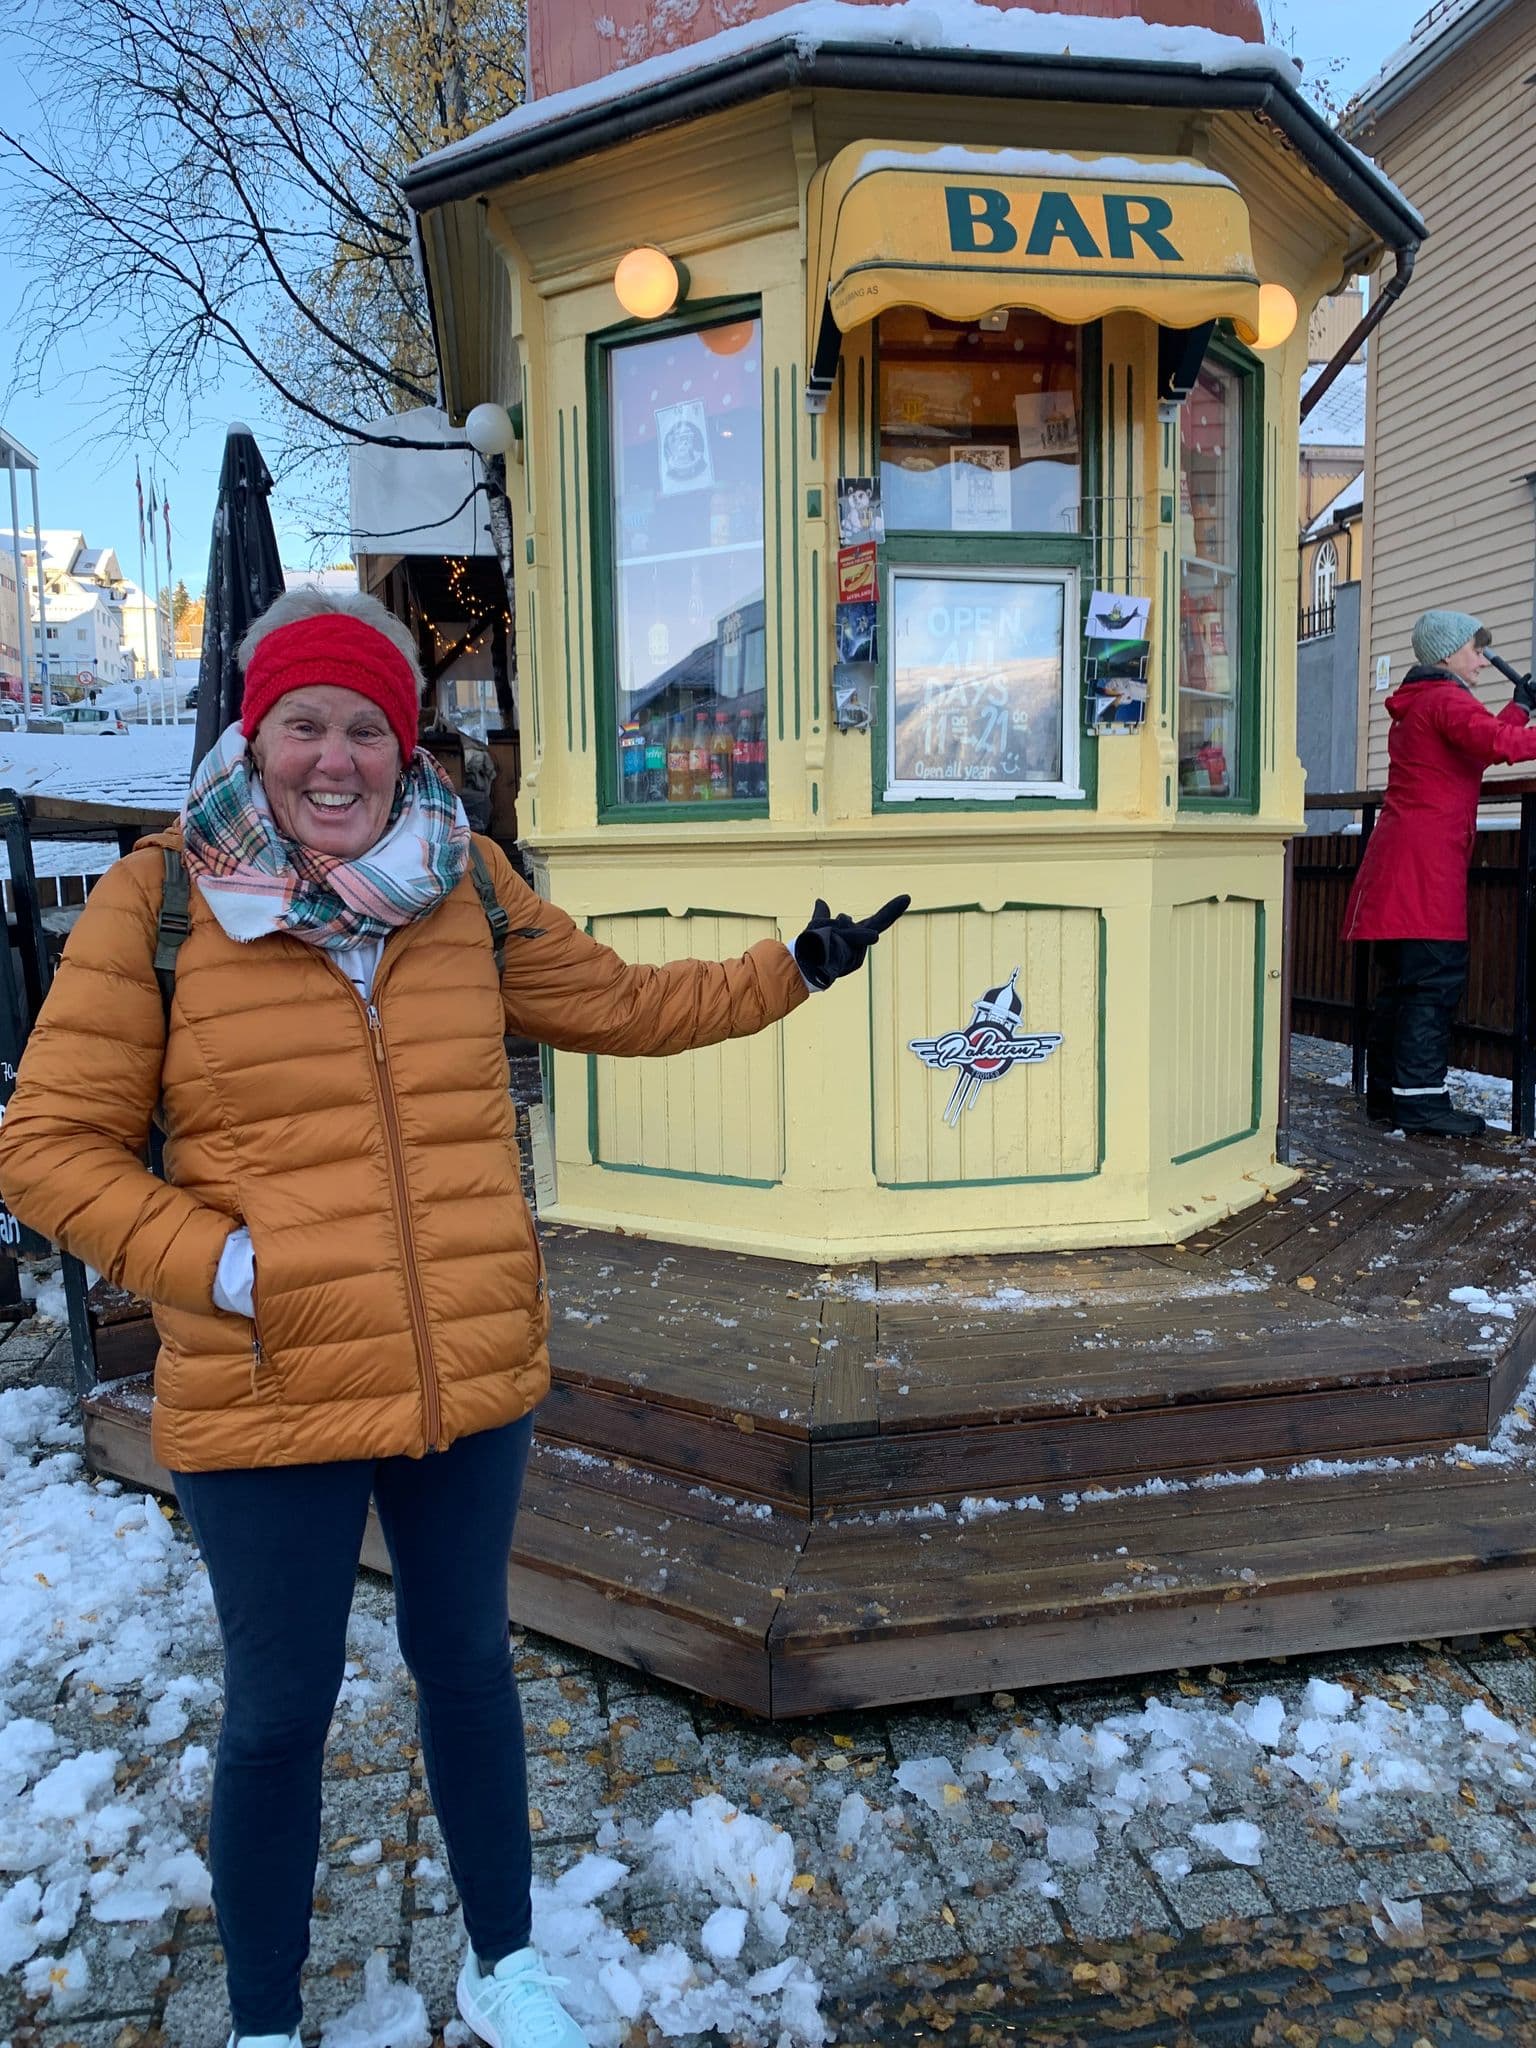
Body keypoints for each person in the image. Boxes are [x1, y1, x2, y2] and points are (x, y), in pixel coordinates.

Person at [0, 588, 908, 2048]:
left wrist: (784, 971)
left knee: (470, 1668)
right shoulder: (159, 899)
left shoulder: (464, 883)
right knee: (278, 1715)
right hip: (268, 1383)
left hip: (466, 1370)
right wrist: (222, 1269)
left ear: (404, 742)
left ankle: (504, 1962)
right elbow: (45, 1145)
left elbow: (616, 1000)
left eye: (368, 726)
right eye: (306, 724)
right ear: (259, 732)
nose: (337, 759)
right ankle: (262, 2021)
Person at [1342, 607, 1536, 1137]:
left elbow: (1482, 739)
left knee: (1402, 989)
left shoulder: (1424, 703)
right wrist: (1520, 722)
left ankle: (1389, 1097)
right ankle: (1421, 1104)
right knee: (1431, 985)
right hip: (1424, 870)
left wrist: (1519, 708)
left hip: (1400, 865)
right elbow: (1499, 745)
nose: (1481, 659)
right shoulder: (1446, 700)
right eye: (1476, 649)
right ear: (1449, 654)